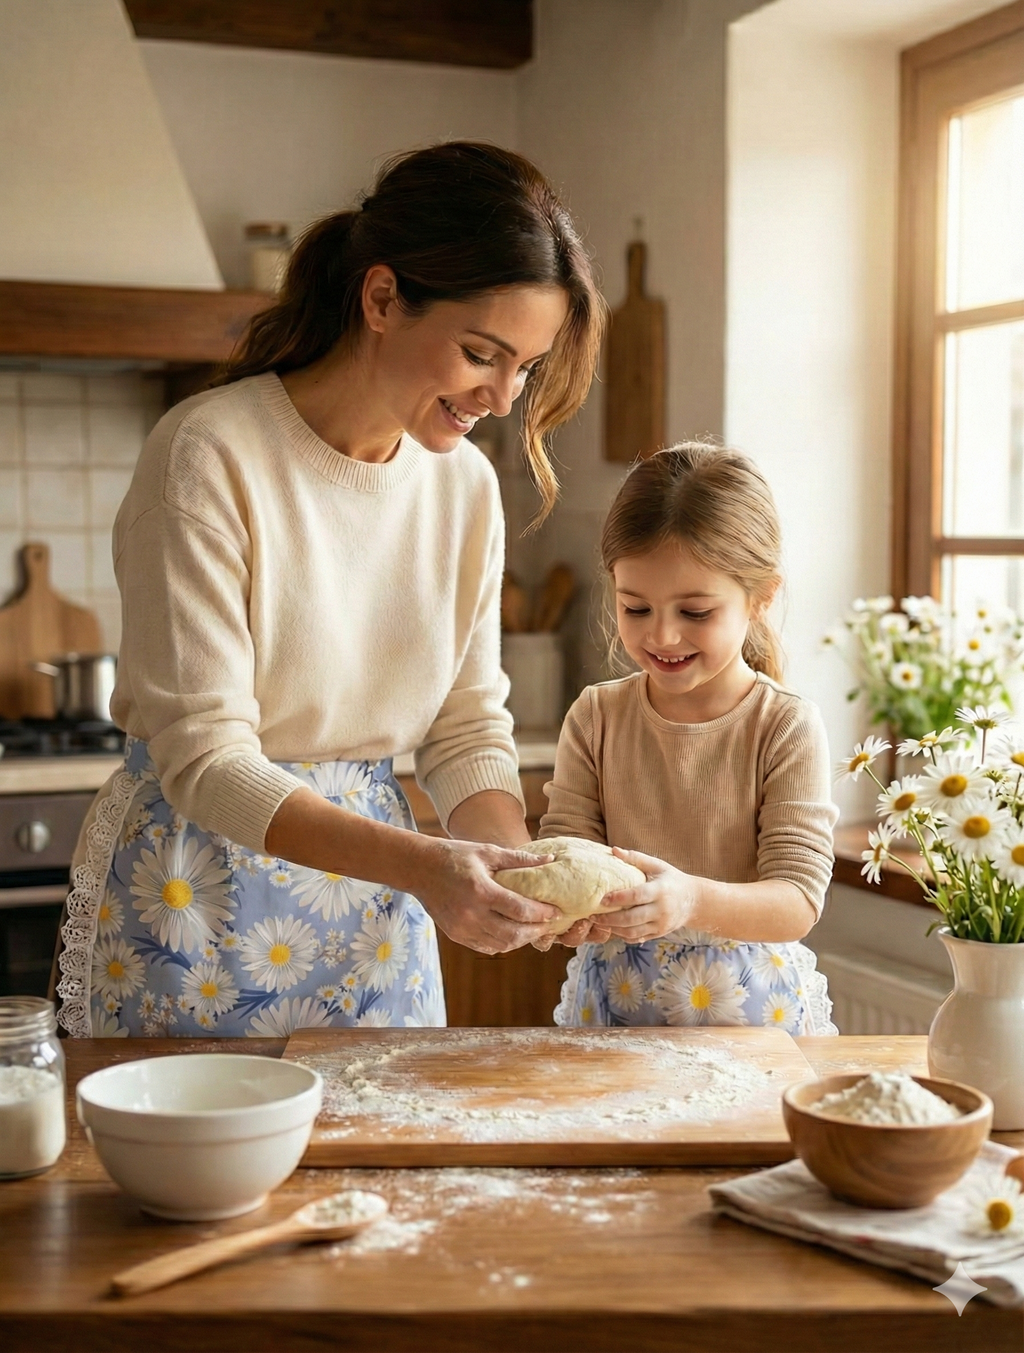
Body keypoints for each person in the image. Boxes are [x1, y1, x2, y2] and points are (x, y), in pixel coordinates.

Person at [54, 142, 604, 1039]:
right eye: (481, 354)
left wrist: (513, 868)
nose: (503, 398)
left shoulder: (462, 485)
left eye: (527, 368)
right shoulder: (209, 453)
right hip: (198, 896)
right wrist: (426, 865)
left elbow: (466, 727)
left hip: (377, 916)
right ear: (382, 298)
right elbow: (207, 759)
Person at [541, 443, 839, 1034]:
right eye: (636, 607)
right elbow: (568, 853)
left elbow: (797, 901)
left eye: (696, 612)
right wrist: (560, 910)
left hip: (747, 1013)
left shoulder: (783, 726)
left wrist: (691, 901)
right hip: (616, 1001)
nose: (663, 635)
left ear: (762, 598)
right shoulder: (597, 716)